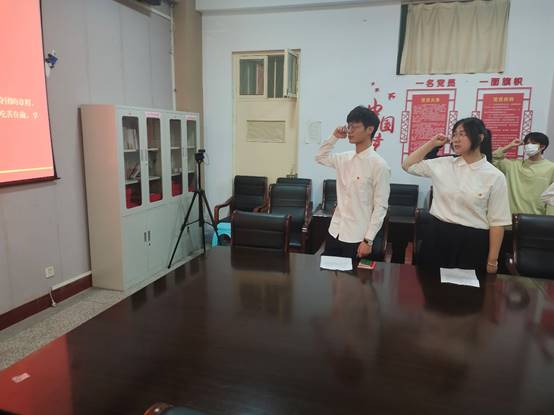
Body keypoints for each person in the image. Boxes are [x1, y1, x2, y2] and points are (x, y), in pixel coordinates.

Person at [402, 117, 511, 274]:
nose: (456, 139)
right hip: (437, 236)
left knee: (467, 287)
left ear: (480, 138)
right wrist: (432, 143)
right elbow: (408, 165)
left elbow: (497, 222)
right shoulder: (444, 164)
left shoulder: (495, 176)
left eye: (462, 134)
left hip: (472, 242)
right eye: (454, 135)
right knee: (430, 284)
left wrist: (492, 260)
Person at [316, 106, 390, 261]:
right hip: (335, 230)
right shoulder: (344, 158)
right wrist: (334, 137)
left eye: (354, 127)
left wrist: (368, 240)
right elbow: (320, 157)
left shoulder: (379, 165)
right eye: (348, 126)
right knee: (328, 272)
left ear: (370, 129)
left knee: (353, 276)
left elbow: (380, 207)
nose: (350, 131)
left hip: (357, 236)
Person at [492, 132, 554, 215]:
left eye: (533, 143)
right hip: (511, 217)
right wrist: (510, 146)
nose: (529, 145)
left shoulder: (551, 168)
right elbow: (492, 158)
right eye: (527, 143)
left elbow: (551, 198)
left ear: (542, 146)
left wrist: (549, 219)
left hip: (537, 218)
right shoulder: (513, 165)